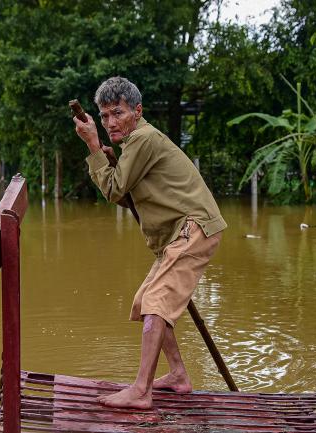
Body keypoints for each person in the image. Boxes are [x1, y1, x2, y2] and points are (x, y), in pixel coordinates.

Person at [73, 76, 227, 409]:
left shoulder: (142, 138)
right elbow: (122, 192)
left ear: (137, 111)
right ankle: (178, 376)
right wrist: (107, 157)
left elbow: (113, 189)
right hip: (180, 233)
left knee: (157, 300)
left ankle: (141, 390)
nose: (111, 122)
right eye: (104, 116)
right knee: (146, 301)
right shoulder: (135, 145)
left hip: (195, 227)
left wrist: (94, 148)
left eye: (118, 113)